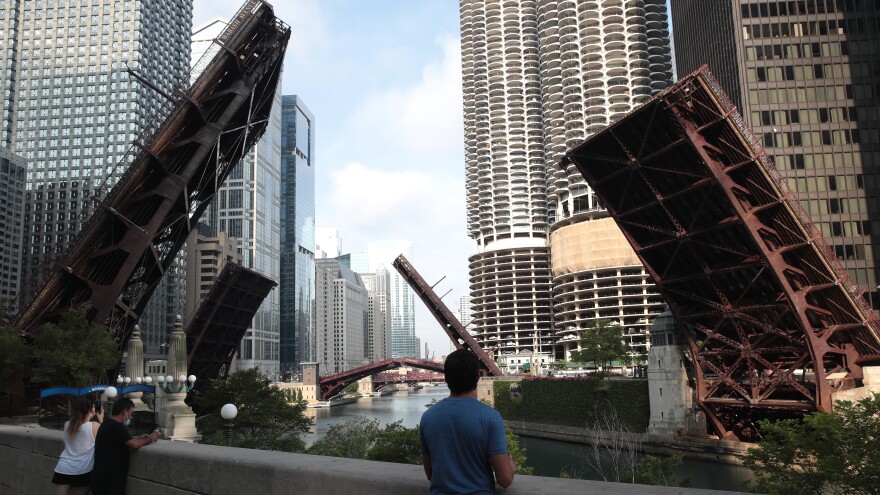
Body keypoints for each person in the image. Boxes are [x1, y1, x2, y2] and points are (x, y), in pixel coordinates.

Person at [420, 349, 515, 494]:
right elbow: (505, 479)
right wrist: (511, 465)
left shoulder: (428, 417)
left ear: (446, 378)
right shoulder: (490, 417)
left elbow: (430, 474)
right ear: (477, 377)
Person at [90, 397, 160, 495]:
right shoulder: (116, 426)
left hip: (101, 479)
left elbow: (124, 441)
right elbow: (134, 445)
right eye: (131, 414)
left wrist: (140, 437)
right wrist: (151, 438)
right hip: (109, 483)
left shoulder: (107, 423)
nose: (131, 417)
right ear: (124, 412)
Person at [52, 397, 103, 495]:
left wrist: (89, 414)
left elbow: (80, 423)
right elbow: (108, 435)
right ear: (91, 408)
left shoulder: (67, 425)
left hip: (63, 468)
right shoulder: (95, 426)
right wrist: (101, 419)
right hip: (82, 470)